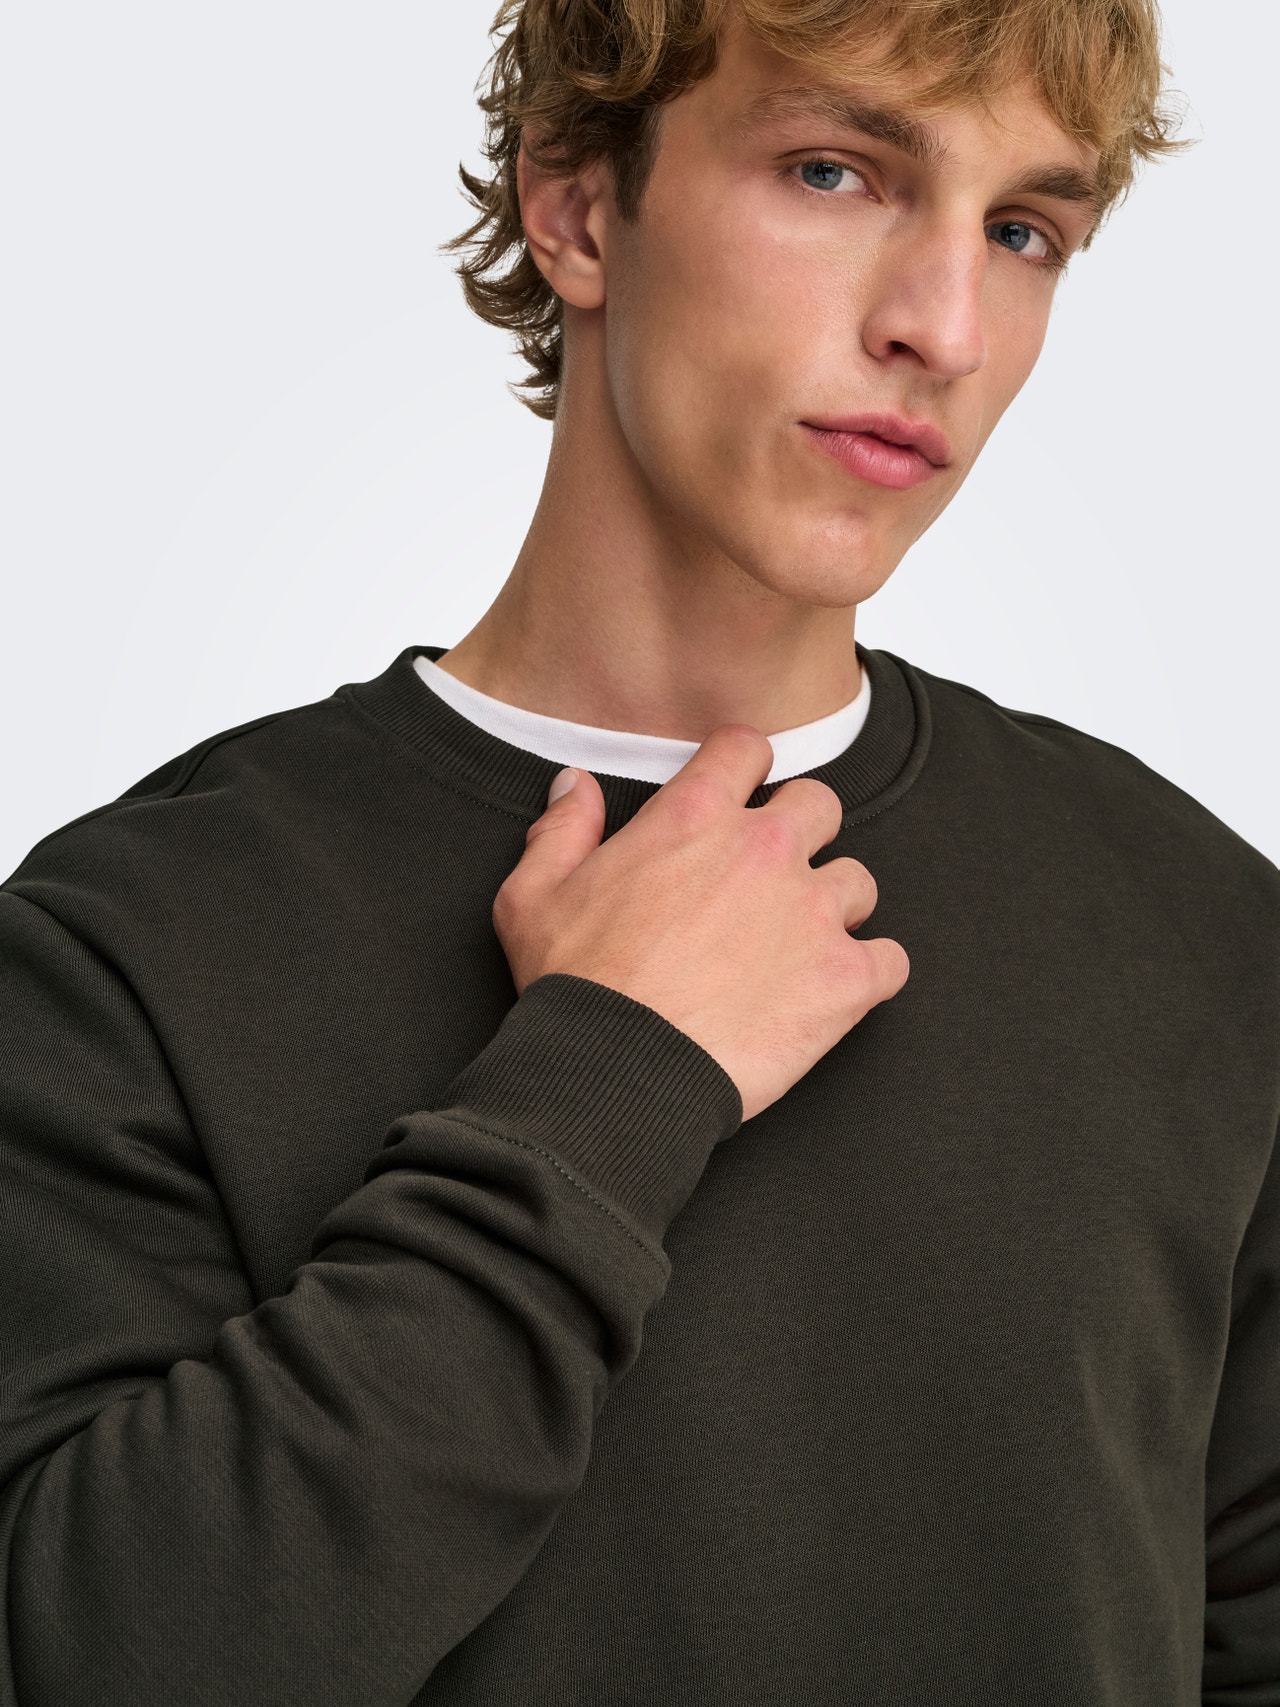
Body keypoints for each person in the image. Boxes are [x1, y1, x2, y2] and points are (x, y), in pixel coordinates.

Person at [1, 0, 1275, 1701]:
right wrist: (607, 1082)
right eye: (834, 172)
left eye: (1024, 230)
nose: (947, 326)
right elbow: (102, 1658)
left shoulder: (1200, 926)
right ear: (579, 205)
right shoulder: (123, 952)